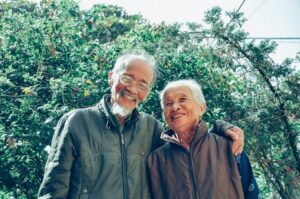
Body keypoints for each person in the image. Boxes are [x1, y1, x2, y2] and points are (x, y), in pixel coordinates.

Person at [38, 53, 245, 199]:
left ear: (147, 92)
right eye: (127, 77)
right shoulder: (77, 122)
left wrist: (221, 127)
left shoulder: (152, 128)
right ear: (112, 77)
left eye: (142, 84)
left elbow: (191, 141)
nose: (133, 89)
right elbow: (53, 189)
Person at [147, 79, 260, 199]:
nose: (175, 107)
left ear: (201, 108)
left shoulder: (228, 146)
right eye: (168, 103)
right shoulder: (155, 160)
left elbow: (251, 192)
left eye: (183, 99)